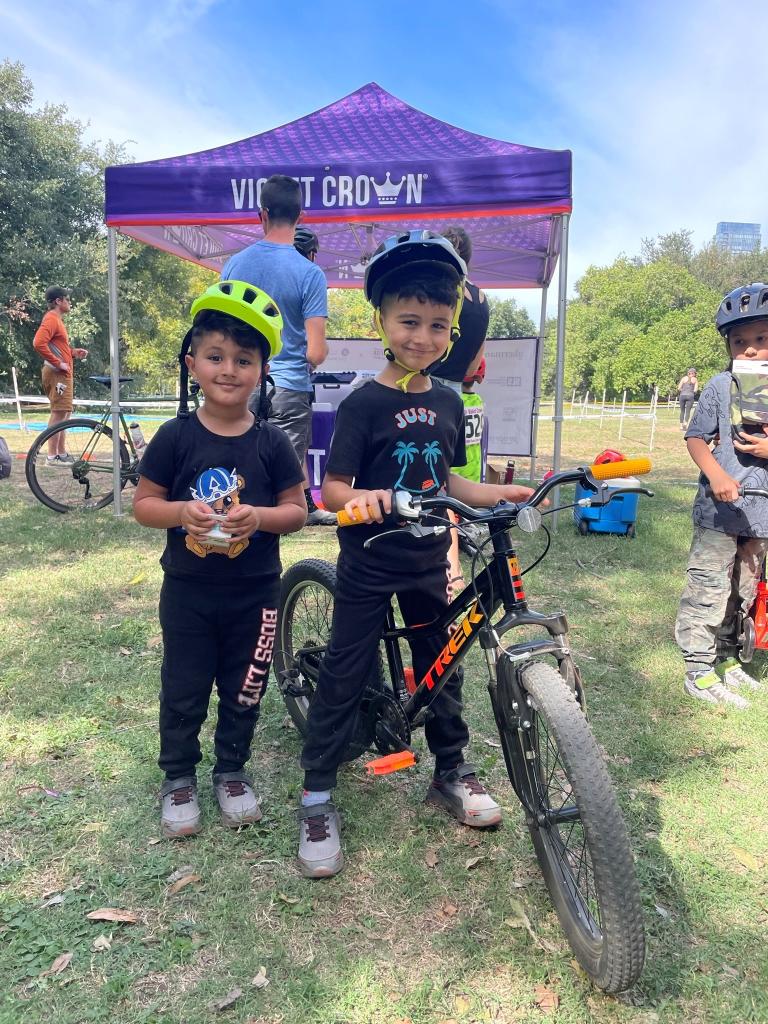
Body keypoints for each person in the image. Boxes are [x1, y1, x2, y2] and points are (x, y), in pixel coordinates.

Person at [296, 231, 536, 878]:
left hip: (429, 559)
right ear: (381, 320)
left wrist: (500, 493)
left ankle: (450, 771)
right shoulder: (363, 405)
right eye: (409, 321)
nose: (422, 337)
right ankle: (317, 791)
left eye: (437, 324)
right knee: (347, 671)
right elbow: (334, 488)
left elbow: (448, 483)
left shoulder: (448, 400)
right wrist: (366, 498)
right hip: (371, 562)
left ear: (453, 328)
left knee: (443, 666)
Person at [133, 281, 307, 838]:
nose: (228, 369)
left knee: (245, 686)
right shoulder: (174, 437)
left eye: (243, 359)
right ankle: (178, 777)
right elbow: (144, 506)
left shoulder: (272, 443)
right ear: (192, 363)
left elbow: (297, 511)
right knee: (183, 684)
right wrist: (180, 510)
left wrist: (258, 517)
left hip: (256, 592)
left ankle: (231, 770)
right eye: (215, 357)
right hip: (187, 591)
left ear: (261, 370)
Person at [221, 176, 335, 526]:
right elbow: (315, 352)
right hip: (288, 386)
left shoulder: (233, 266)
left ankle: (230, 520)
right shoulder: (310, 273)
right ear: (300, 215)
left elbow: (222, 334)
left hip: (240, 381)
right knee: (282, 467)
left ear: (262, 215)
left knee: (236, 461)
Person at [675, 282, 768, 709]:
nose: (749, 350)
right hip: (721, 510)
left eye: (761, 339)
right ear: (728, 345)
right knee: (709, 588)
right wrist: (715, 474)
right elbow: (696, 438)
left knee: (743, 591)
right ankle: (698, 667)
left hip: (761, 514)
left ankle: (729, 658)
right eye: (740, 341)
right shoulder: (718, 385)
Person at [32, 286, 88, 462]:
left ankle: (61, 453)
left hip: (62, 374)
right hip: (57, 374)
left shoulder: (57, 320)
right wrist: (58, 363)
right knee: (58, 413)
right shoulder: (51, 319)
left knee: (64, 413)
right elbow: (38, 343)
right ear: (58, 301)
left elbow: (56, 347)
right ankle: (52, 455)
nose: (69, 302)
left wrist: (72, 352)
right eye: (67, 299)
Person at [446, 358, 487, 592]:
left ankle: (454, 557)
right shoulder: (478, 401)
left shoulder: (454, 400)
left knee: (450, 513)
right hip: (472, 465)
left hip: (457, 468)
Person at [431, 226, 489, 392]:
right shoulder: (482, 299)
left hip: (423, 387)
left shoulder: (437, 291)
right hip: (454, 394)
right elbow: (472, 369)